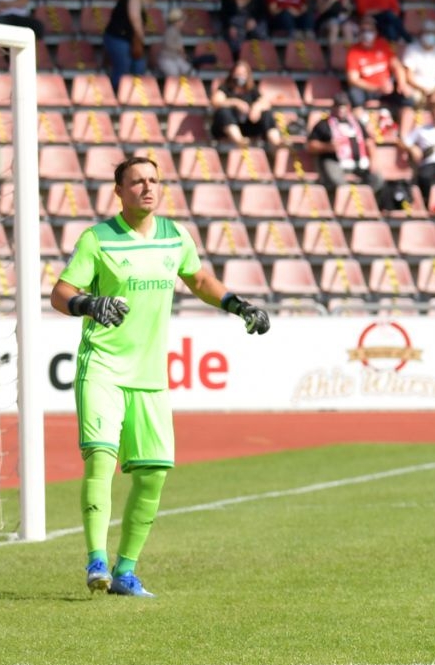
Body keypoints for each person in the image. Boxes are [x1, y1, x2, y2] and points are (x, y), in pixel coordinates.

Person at [52, 156, 271, 598]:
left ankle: (125, 572)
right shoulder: (97, 239)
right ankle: (96, 560)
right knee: (101, 458)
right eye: (137, 182)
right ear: (119, 191)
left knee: (153, 474)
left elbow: (200, 280)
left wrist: (240, 306)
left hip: (150, 375)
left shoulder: (175, 236)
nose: (147, 188)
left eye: (153, 180)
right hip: (103, 367)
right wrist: (89, 304)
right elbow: (61, 293)